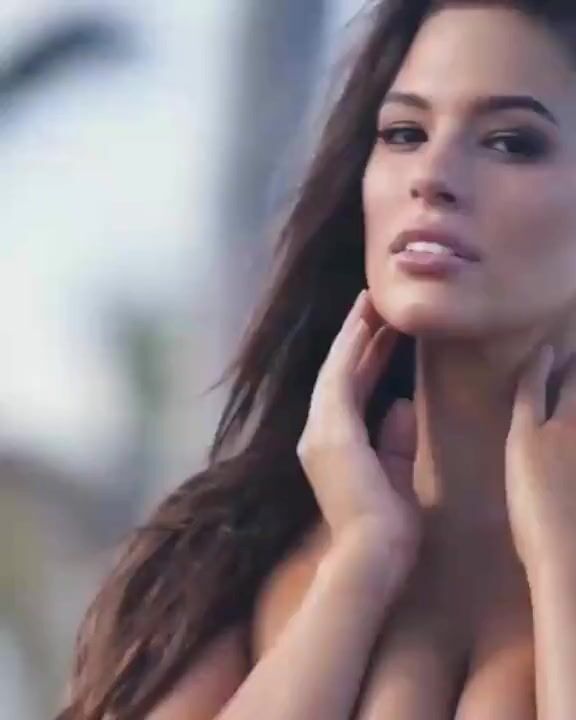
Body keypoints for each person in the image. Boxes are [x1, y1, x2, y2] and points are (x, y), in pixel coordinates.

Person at [57, 0, 576, 718]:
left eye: (511, 142)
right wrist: (362, 562)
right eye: (404, 133)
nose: (432, 174)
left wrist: (561, 562)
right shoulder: (235, 554)